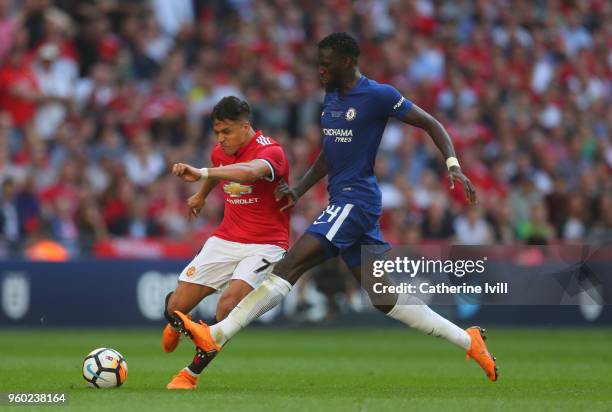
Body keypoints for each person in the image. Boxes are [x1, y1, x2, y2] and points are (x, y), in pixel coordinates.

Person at [172, 33, 498, 383]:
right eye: (318, 63)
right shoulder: (331, 97)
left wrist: (453, 164)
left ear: (347, 62)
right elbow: (331, 153)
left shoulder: (378, 95)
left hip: (356, 200)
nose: (320, 70)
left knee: (291, 265)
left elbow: (431, 123)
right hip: (344, 201)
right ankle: (469, 340)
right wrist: (298, 190)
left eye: (326, 64)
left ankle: (215, 335)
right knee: (384, 297)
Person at [163, 96, 290, 389]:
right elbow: (218, 164)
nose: (221, 139)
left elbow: (249, 171)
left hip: (266, 244)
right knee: (176, 307)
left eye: (227, 132)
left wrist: (202, 175)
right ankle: (174, 322)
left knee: (228, 305)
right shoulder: (221, 152)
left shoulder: (272, 151)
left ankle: (190, 375)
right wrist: (202, 194)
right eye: (217, 133)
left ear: (246, 127)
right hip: (226, 238)